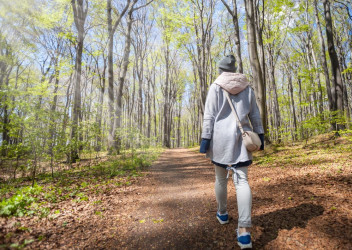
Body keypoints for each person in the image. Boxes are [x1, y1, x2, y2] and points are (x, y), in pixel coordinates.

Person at [200, 55, 264, 249]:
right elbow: (255, 115)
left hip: (220, 141)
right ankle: (244, 233)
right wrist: (260, 136)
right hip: (242, 139)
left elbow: (209, 116)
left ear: (220, 70)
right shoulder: (248, 88)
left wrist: (205, 139)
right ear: (235, 69)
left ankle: (223, 214)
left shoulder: (215, 87)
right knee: (242, 181)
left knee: (220, 179)